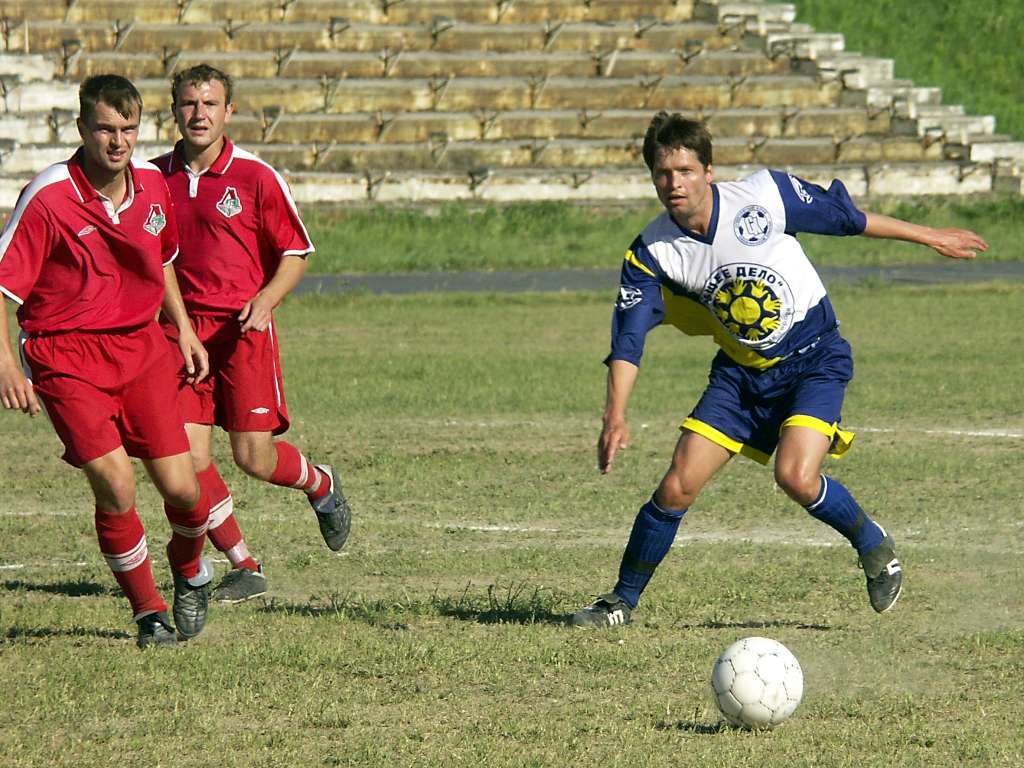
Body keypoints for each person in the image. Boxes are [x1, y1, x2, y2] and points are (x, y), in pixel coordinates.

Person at [571, 112, 988, 628]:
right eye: (662, 174)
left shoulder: (764, 196)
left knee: (795, 475)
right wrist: (615, 416)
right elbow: (628, 340)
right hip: (741, 377)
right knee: (677, 485)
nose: (674, 184)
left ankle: (873, 543)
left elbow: (847, 218)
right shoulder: (651, 253)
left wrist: (930, 237)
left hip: (814, 359)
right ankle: (620, 602)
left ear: (708, 170)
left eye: (684, 170)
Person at [0, 74, 216, 648]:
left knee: (184, 490)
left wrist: (184, 329)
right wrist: (6, 366)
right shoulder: (48, 197)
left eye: (128, 129)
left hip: (142, 348)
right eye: (104, 129)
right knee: (116, 484)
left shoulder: (151, 183)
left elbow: (163, 259)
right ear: (81, 130)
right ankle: (149, 613)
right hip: (65, 356)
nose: (117, 142)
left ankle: (189, 567)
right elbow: (3, 290)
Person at [151, 63, 350, 604]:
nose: (199, 114)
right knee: (186, 461)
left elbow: (295, 251)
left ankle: (321, 484)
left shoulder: (256, 177)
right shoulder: (150, 178)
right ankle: (245, 563)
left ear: (228, 112)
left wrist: (266, 298)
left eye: (210, 104)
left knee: (253, 459)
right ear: (174, 112)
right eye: (189, 104)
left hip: (242, 333)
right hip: (178, 336)